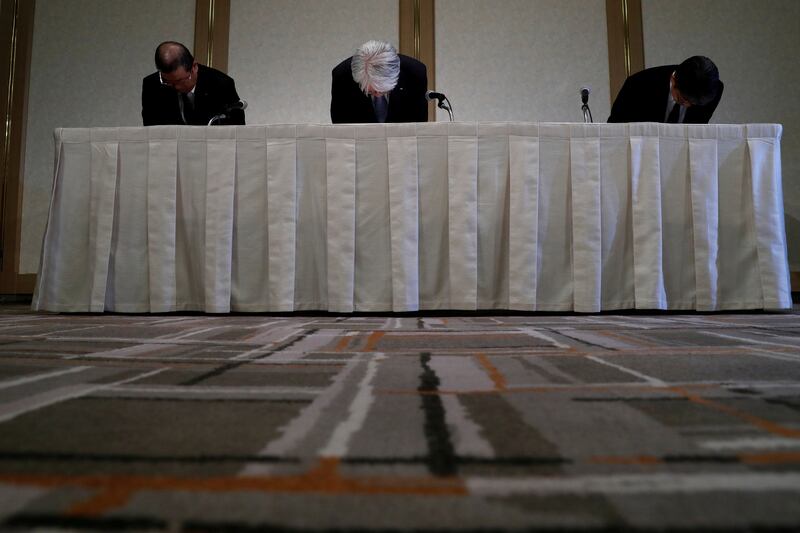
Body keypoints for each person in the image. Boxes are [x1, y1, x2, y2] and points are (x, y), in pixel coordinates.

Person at [142, 41, 245, 126]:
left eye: (179, 81)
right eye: (167, 82)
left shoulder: (221, 84)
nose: (176, 87)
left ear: (194, 67)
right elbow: (151, 130)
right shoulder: (152, 85)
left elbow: (237, 130)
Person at [330, 40, 428, 124]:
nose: (377, 95)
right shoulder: (342, 76)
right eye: (370, 91)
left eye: (383, 91)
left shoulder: (414, 73)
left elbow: (419, 124)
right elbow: (340, 124)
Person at [608, 56, 723, 124]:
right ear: (673, 80)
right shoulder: (637, 85)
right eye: (682, 99)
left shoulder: (713, 91)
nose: (688, 106)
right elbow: (614, 130)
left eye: (695, 104)